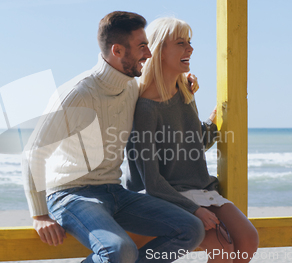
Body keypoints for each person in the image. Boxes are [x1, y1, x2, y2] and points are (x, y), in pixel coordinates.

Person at [22, 12, 205, 263]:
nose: (149, 54)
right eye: (142, 47)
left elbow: (157, 87)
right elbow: (34, 152)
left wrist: (182, 81)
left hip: (114, 192)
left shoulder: (131, 86)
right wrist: (39, 215)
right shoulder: (76, 95)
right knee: (120, 250)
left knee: (191, 229)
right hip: (71, 194)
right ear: (117, 51)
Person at [127, 17, 259, 263]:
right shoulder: (144, 108)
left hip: (201, 188)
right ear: (159, 51)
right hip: (165, 195)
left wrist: (213, 119)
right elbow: (151, 180)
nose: (190, 48)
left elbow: (194, 144)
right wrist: (195, 210)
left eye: (189, 42)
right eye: (181, 43)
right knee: (223, 247)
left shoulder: (185, 91)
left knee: (248, 240)